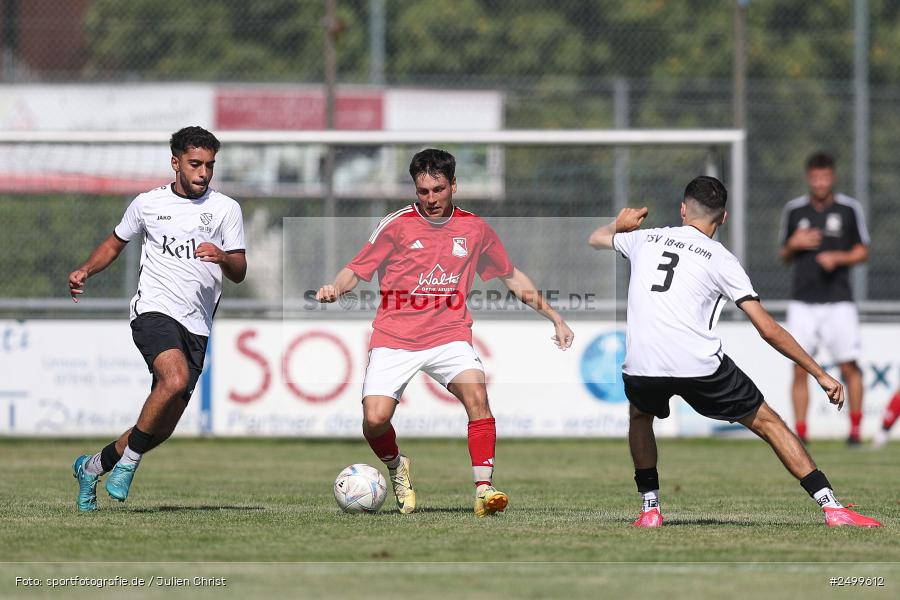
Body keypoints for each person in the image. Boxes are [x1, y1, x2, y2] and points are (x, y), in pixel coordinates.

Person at [588, 175, 880, 528]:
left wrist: (617, 225)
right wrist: (819, 373)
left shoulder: (645, 238)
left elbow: (596, 238)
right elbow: (768, 329)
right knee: (769, 423)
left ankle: (650, 509)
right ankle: (832, 507)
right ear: (723, 218)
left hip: (641, 363)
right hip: (697, 365)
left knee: (639, 415)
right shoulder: (720, 258)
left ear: (683, 210)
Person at [316, 148, 574, 516]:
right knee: (374, 420)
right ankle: (396, 466)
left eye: (438, 190)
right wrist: (335, 288)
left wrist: (555, 317)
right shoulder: (396, 225)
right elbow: (355, 270)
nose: (431, 199)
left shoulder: (475, 229)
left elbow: (512, 277)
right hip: (395, 337)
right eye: (423, 191)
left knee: (477, 396)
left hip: (449, 334)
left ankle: (484, 489)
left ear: (454, 185)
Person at [68, 126, 246, 511]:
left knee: (160, 428)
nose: (203, 173)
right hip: (153, 310)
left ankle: (92, 467)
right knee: (174, 378)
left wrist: (223, 256)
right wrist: (86, 270)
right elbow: (115, 243)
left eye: (210, 165)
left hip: (197, 324)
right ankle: (128, 465)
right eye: (195, 164)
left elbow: (239, 271)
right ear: (175, 163)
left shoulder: (226, 209)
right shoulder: (148, 204)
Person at [779, 152, 869, 445]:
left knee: (849, 366)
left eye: (825, 178)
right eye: (815, 178)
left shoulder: (848, 209)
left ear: (833, 178)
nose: (820, 183)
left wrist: (838, 257)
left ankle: (855, 431)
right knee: (799, 368)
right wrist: (794, 244)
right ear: (809, 178)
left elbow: (862, 251)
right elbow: (784, 255)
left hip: (839, 301)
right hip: (803, 302)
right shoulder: (795, 210)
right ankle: (801, 432)